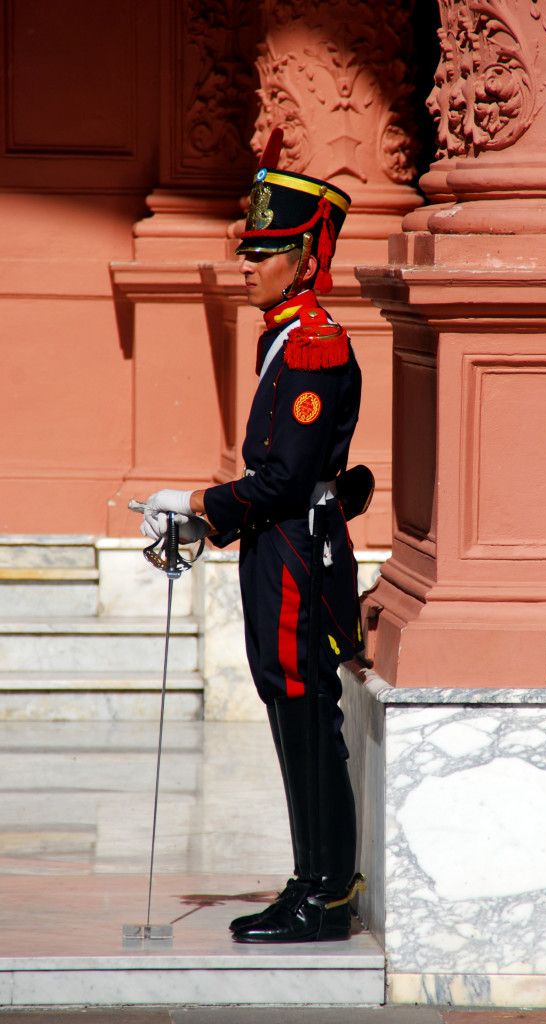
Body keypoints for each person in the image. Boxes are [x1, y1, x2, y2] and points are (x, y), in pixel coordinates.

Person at [140, 129, 368, 943]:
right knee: (286, 703)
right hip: (280, 544)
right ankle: (312, 878)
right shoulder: (282, 330)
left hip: (297, 549)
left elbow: (279, 479)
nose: (248, 261)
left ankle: (327, 891)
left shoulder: (312, 345)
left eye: (267, 249)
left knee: (305, 711)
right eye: (250, 248)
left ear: (306, 257)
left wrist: (197, 501)